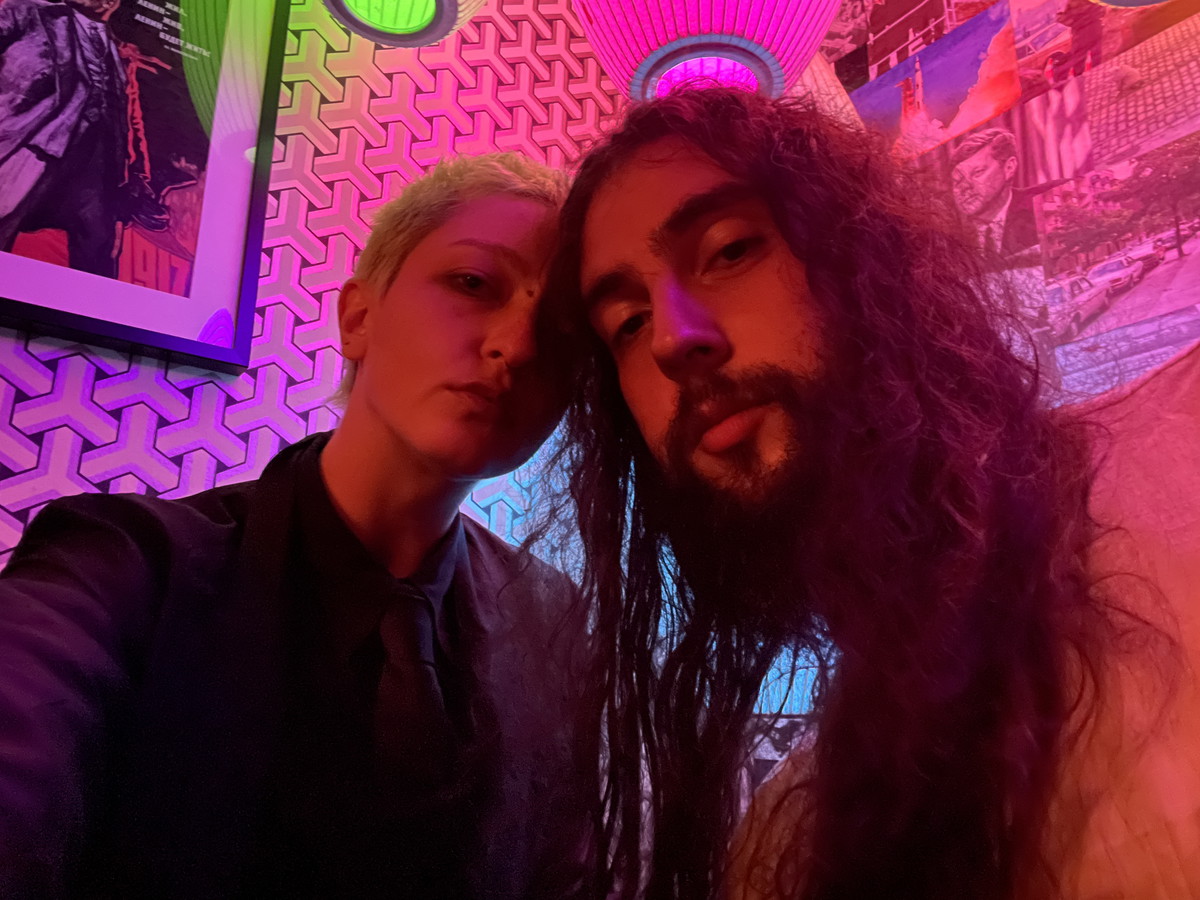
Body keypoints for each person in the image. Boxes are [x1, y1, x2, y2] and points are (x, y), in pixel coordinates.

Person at [545, 86, 1199, 899]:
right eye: (627, 324)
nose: (673, 338)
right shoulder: (784, 851)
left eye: (730, 250)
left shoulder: (1181, 465)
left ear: (858, 260)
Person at [0, 153, 594, 898]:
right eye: (473, 283)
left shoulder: (555, 625)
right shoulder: (124, 566)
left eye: (563, 327)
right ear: (359, 318)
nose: (520, 345)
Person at [0, 0, 166, 278]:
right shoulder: (28, 10)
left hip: (97, 174)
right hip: (32, 151)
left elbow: (130, 120)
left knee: (98, 254)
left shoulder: (119, 51)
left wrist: (134, 177)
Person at [949, 128, 1039, 263]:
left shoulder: (1040, 207)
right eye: (957, 181)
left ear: (1009, 168)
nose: (965, 187)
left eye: (977, 173)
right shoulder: (951, 243)